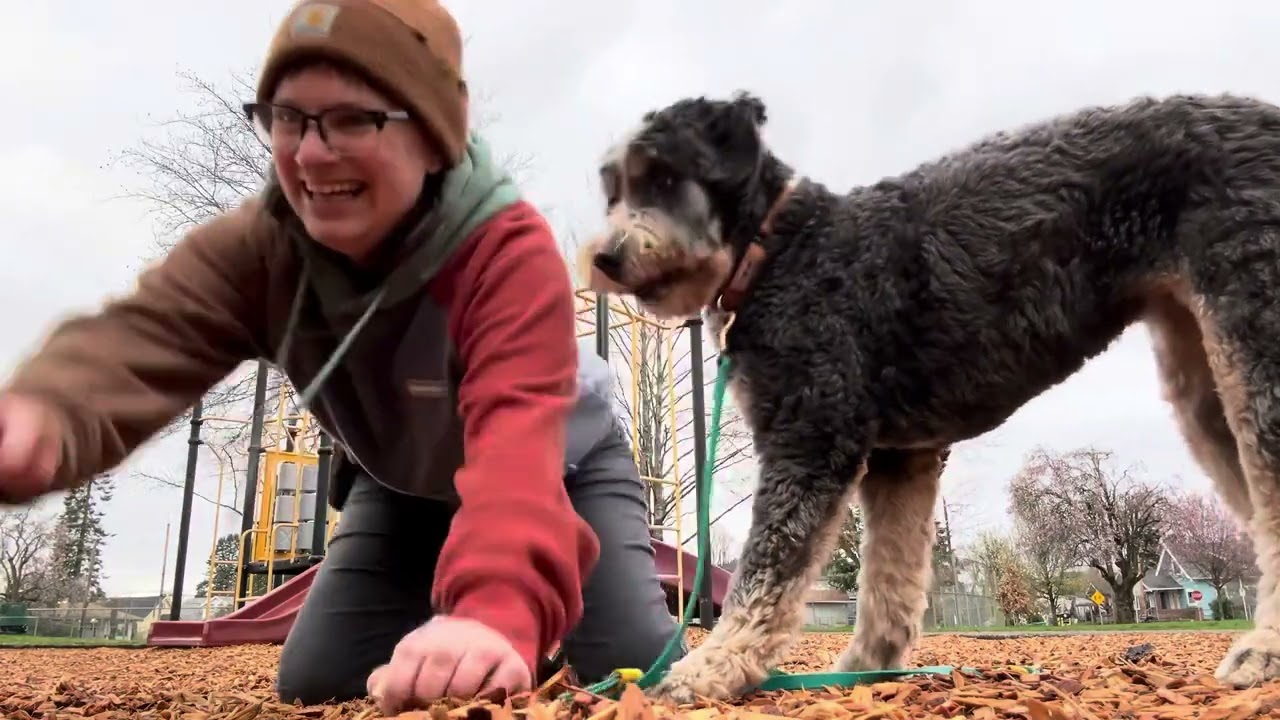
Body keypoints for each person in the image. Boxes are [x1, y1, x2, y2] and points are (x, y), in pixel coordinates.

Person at [0, 0, 679, 712]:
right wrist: (48, 414)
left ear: (434, 135)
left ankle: (568, 595)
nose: (311, 153)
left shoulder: (503, 252)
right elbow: (144, 338)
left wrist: (493, 610)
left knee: (632, 660)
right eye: (287, 117)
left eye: (355, 118)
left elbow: (515, 452)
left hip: (558, 465)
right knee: (322, 677)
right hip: (404, 485)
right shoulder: (263, 250)